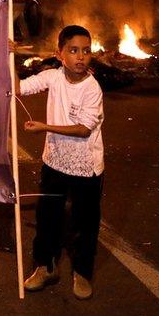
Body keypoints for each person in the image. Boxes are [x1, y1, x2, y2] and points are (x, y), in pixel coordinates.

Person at [16, 25, 105, 300]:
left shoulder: (92, 88)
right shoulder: (53, 77)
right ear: (60, 54)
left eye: (86, 51)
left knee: (85, 223)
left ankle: (82, 272)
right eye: (74, 50)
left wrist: (44, 127)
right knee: (47, 218)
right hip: (54, 162)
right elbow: (18, 88)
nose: (81, 57)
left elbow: (84, 129)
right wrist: (10, 57)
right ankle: (45, 266)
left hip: (86, 167)